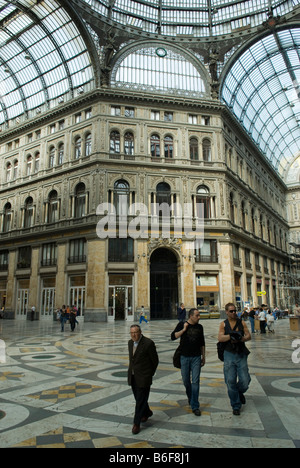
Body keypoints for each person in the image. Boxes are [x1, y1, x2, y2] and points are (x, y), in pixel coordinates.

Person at [218, 303, 251, 415]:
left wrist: (241, 338)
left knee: (245, 381)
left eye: (235, 311)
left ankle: (238, 392)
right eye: (231, 311)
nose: (233, 313)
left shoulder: (241, 322)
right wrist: (231, 336)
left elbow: (248, 336)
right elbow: (220, 337)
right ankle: (236, 405)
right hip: (229, 354)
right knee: (230, 380)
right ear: (226, 312)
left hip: (241, 354)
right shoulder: (223, 324)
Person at [171, 308, 206, 416]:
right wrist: (183, 330)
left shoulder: (200, 327)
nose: (199, 317)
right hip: (184, 357)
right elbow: (173, 337)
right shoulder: (182, 324)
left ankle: (195, 405)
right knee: (186, 381)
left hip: (196, 357)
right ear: (191, 316)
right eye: (197, 315)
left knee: (195, 382)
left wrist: (203, 356)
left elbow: (202, 342)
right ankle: (191, 398)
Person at [128, 324, 159, 435]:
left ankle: (136, 424)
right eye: (131, 333)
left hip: (144, 377)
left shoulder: (148, 343)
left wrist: (149, 374)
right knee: (138, 398)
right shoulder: (130, 343)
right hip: (133, 376)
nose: (134, 335)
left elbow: (155, 360)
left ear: (140, 332)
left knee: (140, 400)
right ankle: (147, 412)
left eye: (135, 332)